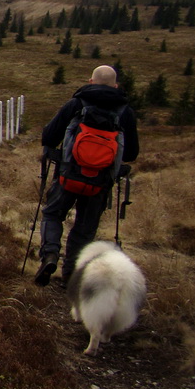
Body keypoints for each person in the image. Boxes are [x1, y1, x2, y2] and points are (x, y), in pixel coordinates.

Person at [35, 65, 139, 287]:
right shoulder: (125, 112)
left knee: (53, 214)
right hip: (100, 182)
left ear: (91, 81)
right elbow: (131, 153)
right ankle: (71, 274)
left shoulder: (77, 104)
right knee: (85, 227)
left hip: (68, 175)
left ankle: (50, 254)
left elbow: (49, 136)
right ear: (115, 85)